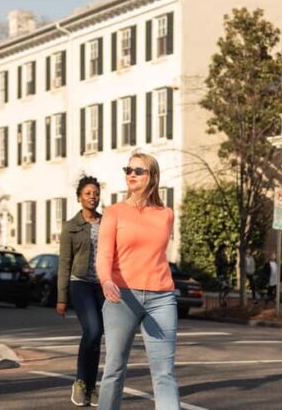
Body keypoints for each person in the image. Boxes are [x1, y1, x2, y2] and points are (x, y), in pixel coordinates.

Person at [97, 152, 180, 410]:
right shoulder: (114, 212)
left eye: (138, 170)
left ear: (152, 176)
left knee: (164, 372)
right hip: (121, 297)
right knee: (114, 367)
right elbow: (103, 255)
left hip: (162, 298)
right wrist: (106, 281)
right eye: (128, 170)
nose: (131, 174)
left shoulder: (166, 214)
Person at [57, 176, 104, 407]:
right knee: (93, 330)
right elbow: (64, 263)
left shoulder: (106, 224)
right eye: (87, 193)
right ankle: (80, 382)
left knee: (96, 337)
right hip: (80, 283)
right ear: (79, 197)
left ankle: (92, 385)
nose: (92, 196)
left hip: (102, 286)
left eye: (95, 193)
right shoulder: (71, 227)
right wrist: (61, 297)